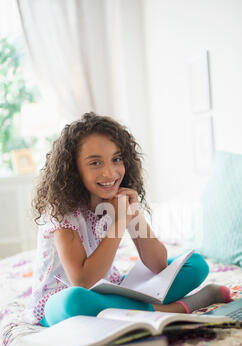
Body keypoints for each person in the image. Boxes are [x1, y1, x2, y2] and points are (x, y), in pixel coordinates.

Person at [28, 112, 231, 327]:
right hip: (62, 300)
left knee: (195, 265)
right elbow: (83, 281)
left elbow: (158, 264)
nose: (110, 172)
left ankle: (126, 308)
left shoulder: (118, 200)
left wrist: (133, 214)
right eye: (95, 163)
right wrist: (119, 223)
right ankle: (176, 308)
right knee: (74, 301)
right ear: (74, 170)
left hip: (109, 289)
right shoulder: (62, 212)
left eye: (116, 159)